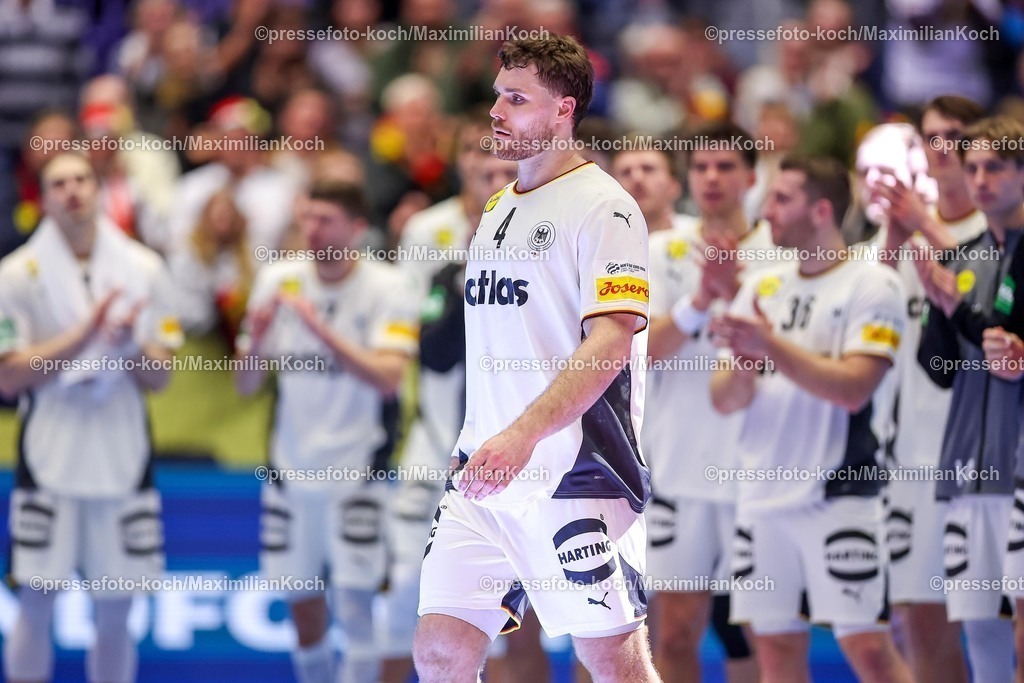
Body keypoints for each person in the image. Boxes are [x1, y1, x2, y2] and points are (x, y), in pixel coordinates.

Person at [413, 35, 661, 683]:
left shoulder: (605, 206)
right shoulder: (498, 208)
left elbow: (610, 344)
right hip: (485, 477)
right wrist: (477, 438)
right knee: (440, 648)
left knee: (611, 660)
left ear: (563, 110)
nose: (497, 110)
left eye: (517, 99)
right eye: (498, 94)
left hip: (575, 474)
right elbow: (504, 345)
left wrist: (522, 434)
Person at [710, 155, 913, 683]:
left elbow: (853, 389)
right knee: (774, 651)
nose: (766, 210)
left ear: (822, 210)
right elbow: (724, 399)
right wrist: (748, 363)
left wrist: (768, 344)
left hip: (839, 494)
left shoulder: (873, 284)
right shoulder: (761, 286)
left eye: (782, 199)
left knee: (868, 648)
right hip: (760, 496)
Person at [0, 151, 181, 683]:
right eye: (59, 183)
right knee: (35, 600)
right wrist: (85, 334)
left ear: (100, 189)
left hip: (122, 453)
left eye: (82, 179)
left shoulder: (145, 268)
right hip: (49, 455)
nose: (73, 190)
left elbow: (162, 377)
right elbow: (9, 378)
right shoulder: (13, 275)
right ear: (43, 198)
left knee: (117, 607)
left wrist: (125, 346)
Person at [234, 180, 419, 683]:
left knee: (357, 608)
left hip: (358, 472)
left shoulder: (389, 288)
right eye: (307, 219)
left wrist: (322, 331)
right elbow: (245, 386)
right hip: (290, 473)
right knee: (303, 610)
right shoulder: (277, 280)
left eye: (325, 220)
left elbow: (389, 377)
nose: (313, 231)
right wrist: (255, 342)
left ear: (357, 229)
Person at [612, 125, 764, 683]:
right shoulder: (656, 251)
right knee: (674, 629)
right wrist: (701, 299)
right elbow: (634, 352)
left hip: (761, 472)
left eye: (725, 167)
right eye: (701, 167)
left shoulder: (781, 254)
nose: (711, 178)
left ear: (751, 177)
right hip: (678, 468)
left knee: (763, 633)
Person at [383, 114, 520, 683]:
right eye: (479, 162)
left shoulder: (543, 232)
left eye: (502, 168)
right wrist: (464, 270)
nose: (490, 177)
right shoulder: (427, 235)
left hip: (504, 449)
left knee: (499, 622)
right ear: (462, 161)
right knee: (400, 599)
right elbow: (426, 346)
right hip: (435, 436)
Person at [875, 95, 986, 683]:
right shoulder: (904, 230)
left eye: (955, 135)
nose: (942, 146)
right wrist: (895, 237)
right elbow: (867, 317)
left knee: (998, 627)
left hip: (991, 460)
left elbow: (987, 296)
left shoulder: (999, 227)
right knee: (922, 628)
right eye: (931, 136)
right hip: (914, 462)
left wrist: (925, 225)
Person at [916, 115, 1024, 683]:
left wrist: (964, 312)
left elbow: (1005, 338)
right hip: (967, 471)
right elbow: (936, 368)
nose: (981, 179)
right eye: (973, 167)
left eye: (996, 167)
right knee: (980, 629)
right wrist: (940, 302)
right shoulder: (964, 257)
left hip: (1019, 468)